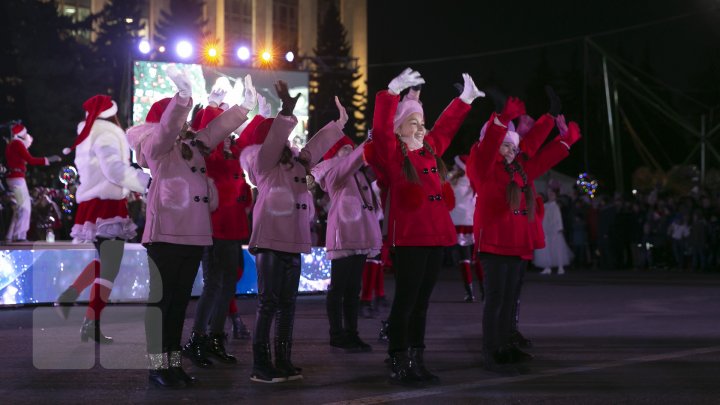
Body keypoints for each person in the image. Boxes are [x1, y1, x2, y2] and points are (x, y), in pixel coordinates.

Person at [129, 67, 256, 388]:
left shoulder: (192, 144)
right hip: (166, 235)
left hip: (193, 235)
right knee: (163, 304)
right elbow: (166, 130)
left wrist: (244, 110)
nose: (186, 124)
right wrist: (183, 99)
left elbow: (215, 131)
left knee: (178, 304)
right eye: (179, 119)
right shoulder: (156, 146)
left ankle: (172, 365)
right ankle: (158, 366)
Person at [366, 68, 483, 386]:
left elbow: (446, 127)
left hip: (436, 236)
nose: (420, 127)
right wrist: (391, 94)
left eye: (421, 122)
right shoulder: (392, 154)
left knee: (421, 303)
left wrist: (464, 100)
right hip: (410, 238)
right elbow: (378, 130)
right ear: (399, 128)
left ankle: (417, 358)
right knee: (406, 301)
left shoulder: (430, 150)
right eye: (412, 123)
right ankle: (398, 358)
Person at [466, 97, 581, 374]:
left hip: (516, 244)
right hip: (493, 242)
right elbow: (488, 148)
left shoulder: (518, 169)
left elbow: (543, 158)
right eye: (505, 145)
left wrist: (565, 139)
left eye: (512, 146)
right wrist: (502, 119)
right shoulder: (482, 167)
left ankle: (506, 345)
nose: (508, 150)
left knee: (508, 299)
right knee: (494, 298)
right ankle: (491, 350)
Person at [242, 81, 344, 383]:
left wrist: (339, 125)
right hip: (271, 240)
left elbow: (315, 147)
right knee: (269, 302)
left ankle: (283, 360)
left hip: (294, 242)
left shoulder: (296, 163)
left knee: (287, 305)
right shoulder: (263, 162)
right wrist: (285, 111)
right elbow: (274, 142)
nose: (287, 141)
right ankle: (261, 364)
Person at [54, 95, 150, 345]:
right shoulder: (106, 133)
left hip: (96, 202)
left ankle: (74, 300)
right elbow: (114, 170)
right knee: (110, 266)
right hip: (106, 204)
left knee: (105, 262)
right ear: (111, 113)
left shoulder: (89, 132)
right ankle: (90, 322)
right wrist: (146, 182)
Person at [311, 103, 382, 353]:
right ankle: (336, 333)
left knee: (353, 289)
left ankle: (352, 333)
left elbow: (377, 169)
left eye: (351, 148)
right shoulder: (333, 173)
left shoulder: (359, 174)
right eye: (344, 149)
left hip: (361, 237)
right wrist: (364, 146)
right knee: (339, 288)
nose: (349, 152)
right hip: (344, 238)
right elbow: (349, 164)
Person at [4, 123, 61, 242]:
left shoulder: (12, 144)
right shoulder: (17, 143)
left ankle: (11, 235)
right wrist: (48, 159)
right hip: (17, 179)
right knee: (24, 207)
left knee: (20, 207)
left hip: (14, 177)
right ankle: (19, 236)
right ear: (21, 134)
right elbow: (31, 160)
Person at [448, 154, 481, 302]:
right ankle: (484, 291)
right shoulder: (475, 182)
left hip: (456, 223)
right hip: (472, 223)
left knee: (464, 259)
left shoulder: (451, 181)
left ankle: (469, 292)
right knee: (477, 259)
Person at [534, 189, 573, 275]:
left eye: (552, 194)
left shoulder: (556, 206)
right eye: (549, 194)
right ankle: (547, 267)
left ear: (555, 196)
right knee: (546, 249)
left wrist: (560, 228)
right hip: (545, 230)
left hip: (555, 230)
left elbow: (558, 218)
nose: (551, 196)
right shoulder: (544, 205)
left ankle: (560, 267)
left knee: (557, 249)